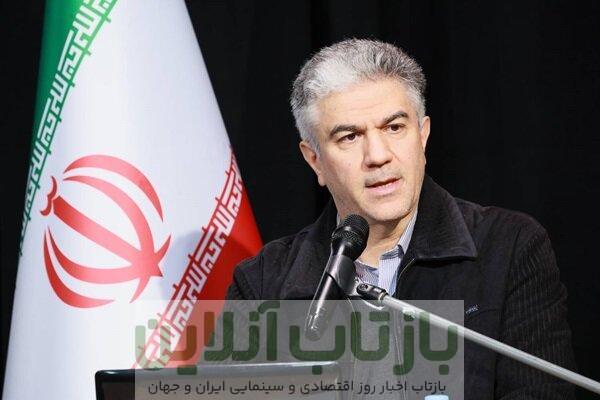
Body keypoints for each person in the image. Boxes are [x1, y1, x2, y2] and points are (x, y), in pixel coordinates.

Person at [226, 39, 576, 399]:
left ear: (422, 135)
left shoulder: (510, 247)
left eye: (394, 127)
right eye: (350, 136)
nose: (378, 155)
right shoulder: (262, 284)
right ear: (314, 160)